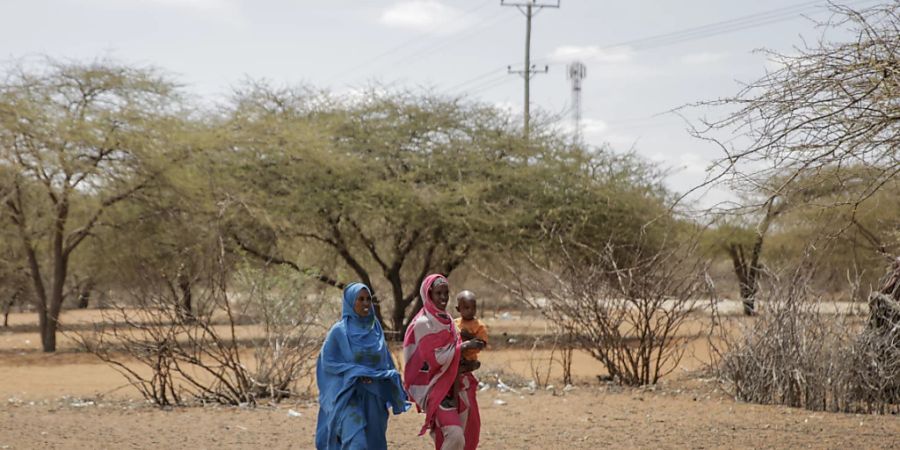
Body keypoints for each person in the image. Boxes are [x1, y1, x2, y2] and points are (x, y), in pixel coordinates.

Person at [315, 283, 409, 450]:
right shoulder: (339, 331)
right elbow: (327, 362)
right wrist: (355, 372)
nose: (366, 303)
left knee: (374, 444)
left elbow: (384, 360)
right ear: (351, 302)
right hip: (348, 396)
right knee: (356, 443)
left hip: (374, 395)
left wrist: (381, 376)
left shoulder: (376, 328)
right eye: (361, 299)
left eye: (368, 299)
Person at [403, 274, 481, 450]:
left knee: (465, 434)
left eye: (446, 293)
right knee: (455, 436)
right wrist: (463, 347)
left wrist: (466, 363)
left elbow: (452, 352)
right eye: (439, 293)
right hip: (434, 390)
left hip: (454, 386)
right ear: (429, 294)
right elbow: (435, 359)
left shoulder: (447, 321)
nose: (443, 298)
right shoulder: (423, 324)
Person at [454, 290, 487, 374]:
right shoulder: (454, 323)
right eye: (466, 308)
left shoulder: (479, 325)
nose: (470, 311)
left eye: (473, 307)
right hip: (455, 356)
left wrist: (468, 336)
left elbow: (482, 344)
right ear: (458, 309)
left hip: (470, 359)